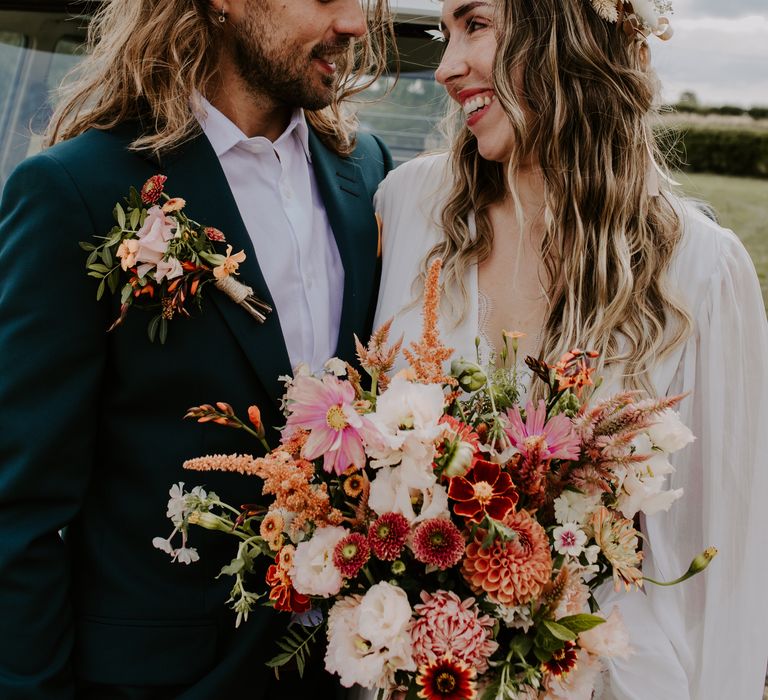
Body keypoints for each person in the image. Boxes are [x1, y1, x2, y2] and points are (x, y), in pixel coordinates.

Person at [373, 0, 768, 698]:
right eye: (444, 33)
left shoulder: (702, 272)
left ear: (567, 32)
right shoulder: (409, 208)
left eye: (475, 24)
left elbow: (728, 569)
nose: (443, 67)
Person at [0, 0, 393, 697]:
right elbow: (19, 507)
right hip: (156, 679)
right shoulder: (77, 190)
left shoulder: (367, 172)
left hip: (339, 672)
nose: (356, 24)